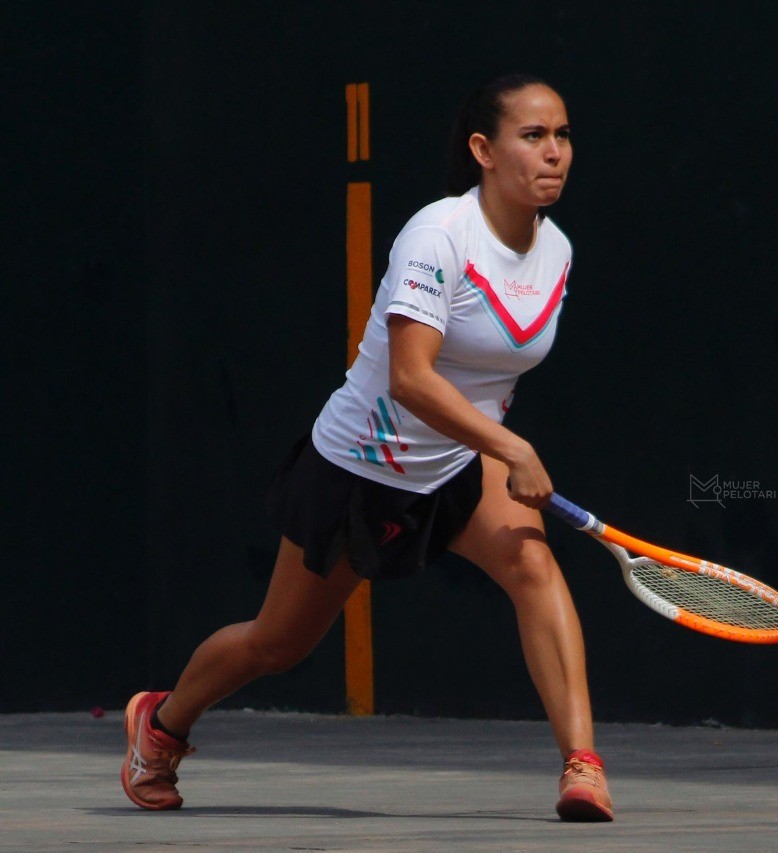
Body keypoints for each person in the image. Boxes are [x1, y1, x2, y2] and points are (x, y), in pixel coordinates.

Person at [120, 74, 614, 822]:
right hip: (357, 469)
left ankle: (583, 767)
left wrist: (492, 449)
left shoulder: (559, 252)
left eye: (564, 135)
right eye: (533, 136)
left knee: (533, 565)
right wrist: (512, 445)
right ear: (484, 149)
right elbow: (413, 379)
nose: (555, 153)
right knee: (276, 643)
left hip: (455, 465)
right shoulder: (438, 236)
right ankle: (160, 724)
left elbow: (482, 375)